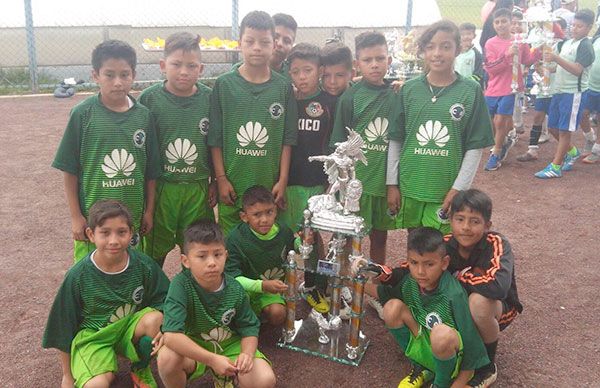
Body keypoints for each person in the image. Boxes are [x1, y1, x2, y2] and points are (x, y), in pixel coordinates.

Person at [42, 200, 170, 388]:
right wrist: (67, 376)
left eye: (121, 232)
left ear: (131, 233)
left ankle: (140, 367)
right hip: (94, 336)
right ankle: (102, 367)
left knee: (157, 320)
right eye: (105, 232)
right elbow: (63, 326)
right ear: (91, 234)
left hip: (128, 327)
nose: (114, 240)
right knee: (97, 385)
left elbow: (167, 299)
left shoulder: (144, 265)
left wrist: (169, 333)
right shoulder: (78, 275)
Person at [52, 40, 160, 261]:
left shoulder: (144, 116)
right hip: (94, 221)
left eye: (125, 74)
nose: (118, 82)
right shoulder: (82, 114)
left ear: (134, 75)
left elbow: (150, 172)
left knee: (130, 274)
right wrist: (75, 217)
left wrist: (149, 211)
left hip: (132, 220)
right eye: (109, 75)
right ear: (95, 75)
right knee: (90, 277)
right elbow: (69, 169)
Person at [387, 21, 494, 235]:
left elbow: (475, 147)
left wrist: (458, 189)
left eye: (445, 46)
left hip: (444, 189)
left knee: (442, 249)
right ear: (423, 51)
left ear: (458, 48)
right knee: (416, 246)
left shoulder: (470, 91)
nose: (437, 53)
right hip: (411, 186)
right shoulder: (409, 89)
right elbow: (396, 139)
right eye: (431, 47)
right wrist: (392, 184)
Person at [358, 227, 489, 388]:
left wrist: (461, 382)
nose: (420, 271)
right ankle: (420, 366)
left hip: (448, 351)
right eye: (414, 263)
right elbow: (383, 292)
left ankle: (441, 382)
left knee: (441, 334)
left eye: (429, 264)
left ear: (444, 263)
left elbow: (470, 342)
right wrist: (354, 282)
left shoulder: (454, 294)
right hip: (425, 343)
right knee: (391, 308)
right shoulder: (410, 281)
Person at [208, 11, 298, 234]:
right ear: (240, 43)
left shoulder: (283, 87)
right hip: (233, 185)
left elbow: (288, 139)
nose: (257, 47)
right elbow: (215, 137)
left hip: (268, 184)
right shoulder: (224, 84)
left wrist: (283, 179)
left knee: (265, 244)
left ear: (273, 44)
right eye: (250, 41)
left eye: (264, 42)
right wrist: (221, 178)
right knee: (231, 245)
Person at [157, 220, 276, 388]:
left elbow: (249, 328)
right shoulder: (180, 285)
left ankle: (226, 378)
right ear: (185, 261)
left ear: (226, 256)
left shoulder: (234, 287)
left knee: (264, 380)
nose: (211, 262)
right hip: (194, 344)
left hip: (228, 345)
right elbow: (171, 336)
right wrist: (212, 360)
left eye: (217, 254)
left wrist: (247, 355)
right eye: (202, 256)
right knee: (167, 357)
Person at [139, 32, 216, 267]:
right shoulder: (149, 99)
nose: (184, 71)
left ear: (201, 68)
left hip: (198, 187)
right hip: (163, 187)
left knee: (197, 249)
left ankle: (193, 297)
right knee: (153, 251)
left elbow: (215, 142)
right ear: (163, 66)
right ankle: (153, 297)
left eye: (191, 66)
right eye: (176, 64)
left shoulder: (210, 99)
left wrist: (214, 180)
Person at [329, 31, 397, 265]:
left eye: (380, 58)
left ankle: (377, 282)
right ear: (358, 65)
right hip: (355, 185)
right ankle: (346, 284)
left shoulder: (398, 93)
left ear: (389, 60)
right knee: (347, 237)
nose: (375, 65)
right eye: (368, 60)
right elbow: (338, 145)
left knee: (379, 237)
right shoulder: (350, 98)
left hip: (382, 183)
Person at [280, 43, 338, 313]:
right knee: (285, 235)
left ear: (320, 70)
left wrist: (330, 183)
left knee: (311, 238)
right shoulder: (285, 101)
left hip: (316, 184)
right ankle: (281, 285)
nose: (301, 77)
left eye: (307, 70)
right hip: (287, 182)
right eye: (295, 71)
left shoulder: (330, 102)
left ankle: (317, 285)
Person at [445, 189, 522, 387]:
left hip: (498, 309)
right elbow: (414, 270)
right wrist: (380, 273)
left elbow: (498, 287)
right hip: (460, 308)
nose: (466, 227)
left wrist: (458, 279)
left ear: (487, 225)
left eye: (475, 221)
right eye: (460, 219)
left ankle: (486, 367)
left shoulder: (497, 243)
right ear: (450, 220)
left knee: (478, 302)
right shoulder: (444, 244)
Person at [535, 8, 596, 178]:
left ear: (589, 27)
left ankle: (555, 166)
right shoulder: (567, 43)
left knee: (564, 130)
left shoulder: (585, 46)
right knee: (553, 126)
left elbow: (577, 70)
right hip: (559, 91)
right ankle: (573, 151)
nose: (574, 29)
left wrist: (556, 58)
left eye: (580, 26)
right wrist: (543, 66)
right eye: (573, 25)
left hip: (573, 93)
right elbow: (557, 69)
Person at [224, 185, 296, 325]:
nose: (264, 220)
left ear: (276, 210)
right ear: (244, 217)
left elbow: (293, 249)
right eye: (256, 215)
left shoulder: (284, 231)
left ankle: (259, 317)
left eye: (269, 212)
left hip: (270, 291)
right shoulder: (235, 239)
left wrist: (303, 241)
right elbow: (231, 277)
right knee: (232, 318)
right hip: (244, 290)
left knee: (278, 315)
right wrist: (262, 285)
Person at [483, 8, 540, 170]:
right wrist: (507, 55)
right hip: (493, 88)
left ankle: (496, 154)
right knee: (491, 123)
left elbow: (527, 59)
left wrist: (539, 48)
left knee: (501, 121)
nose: (500, 25)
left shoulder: (519, 41)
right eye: (497, 22)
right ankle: (505, 141)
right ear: (493, 24)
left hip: (511, 87)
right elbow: (491, 68)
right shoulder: (490, 43)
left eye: (504, 21)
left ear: (511, 23)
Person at [516, 60, 557, 161]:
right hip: (543, 91)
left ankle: (568, 150)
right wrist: (537, 68)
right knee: (537, 118)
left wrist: (545, 69)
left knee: (555, 126)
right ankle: (532, 150)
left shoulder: (557, 48)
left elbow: (557, 68)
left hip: (556, 91)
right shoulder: (539, 52)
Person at [582, 25, 600, 164]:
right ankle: (589, 138)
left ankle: (597, 149)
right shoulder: (595, 40)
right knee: (582, 113)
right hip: (590, 85)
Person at [270, 13, 297, 78]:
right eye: (275, 37)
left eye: (287, 41)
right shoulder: (243, 72)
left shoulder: (294, 76)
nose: (280, 44)